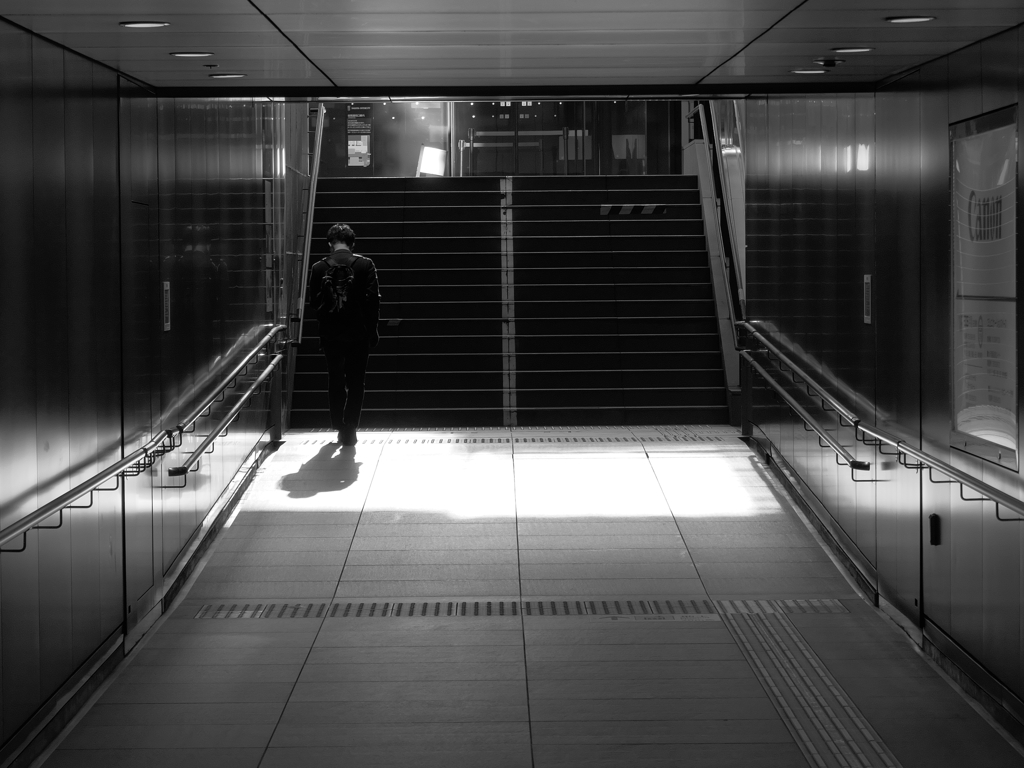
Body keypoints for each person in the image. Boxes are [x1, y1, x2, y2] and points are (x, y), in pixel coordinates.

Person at [309, 223, 380, 445]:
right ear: (352, 243)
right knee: (357, 381)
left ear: (330, 243)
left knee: (336, 378)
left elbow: (314, 303)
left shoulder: (319, 268)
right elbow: (373, 301)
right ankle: (350, 427)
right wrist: (372, 330)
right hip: (358, 333)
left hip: (331, 335)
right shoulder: (365, 265)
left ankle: (338, 424)